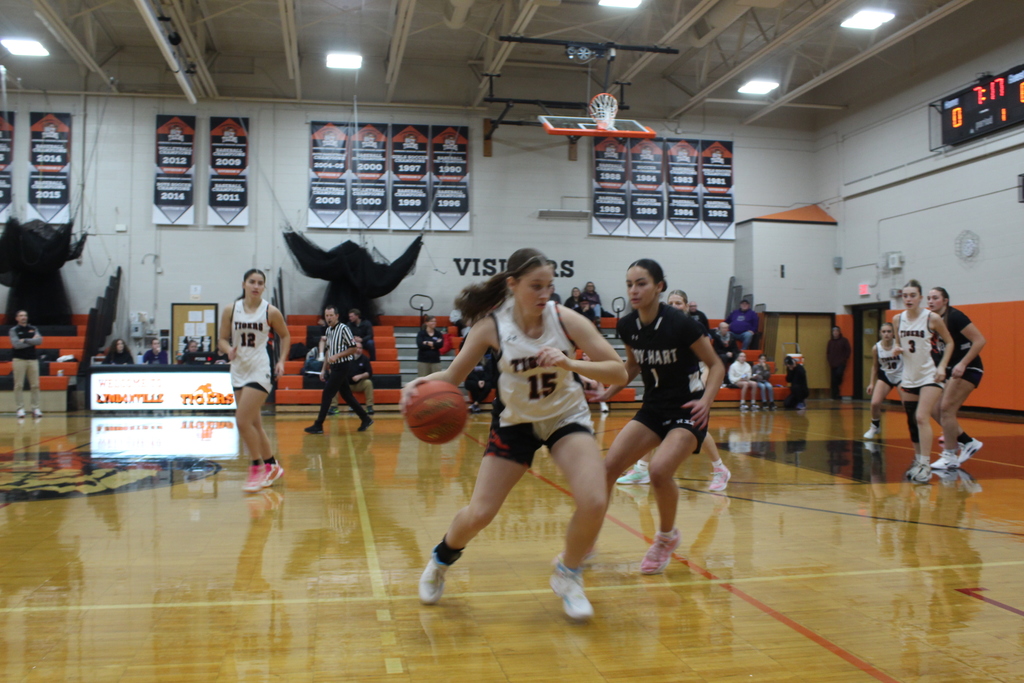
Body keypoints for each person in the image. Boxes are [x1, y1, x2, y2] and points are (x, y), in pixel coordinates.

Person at [406, 248, 627, 621]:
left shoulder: (566, 319)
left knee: (593, 499)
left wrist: (570, 362)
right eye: (535, 286)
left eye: (550, 286)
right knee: (480, 513)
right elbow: (452, 377)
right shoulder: (491, 327)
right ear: (513, 285)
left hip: (565, 417)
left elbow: (619, 372)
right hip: (516, 422)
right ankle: (440, 560)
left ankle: (568, 575)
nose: (544, 294)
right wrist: (416, 384)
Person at [602, 259, 724, 576]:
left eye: (641, 283)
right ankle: (586, 537)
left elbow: (717, 365)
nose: (633, 290)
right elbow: (631, 367)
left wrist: (707, 402)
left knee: (658, 470)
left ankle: (666, 538)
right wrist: (607, 393)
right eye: (629, 284)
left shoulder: (682, 324)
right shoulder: (627, 325)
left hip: (687, 408)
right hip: (654, 407)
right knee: (608, 467)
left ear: (659, 286)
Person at [612, 288, 731, 492]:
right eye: (671, 303)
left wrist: (702, 389)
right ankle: (641, 468)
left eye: (679, 303)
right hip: (665, 386)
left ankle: (719, 468)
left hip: (695, 379)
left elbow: (709, 362)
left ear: (686, 306)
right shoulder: (661, 326)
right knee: (654, 425)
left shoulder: (693, 327)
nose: (674, 306)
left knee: (696, 427)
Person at [218, 268, 290, 493]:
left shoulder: (270, 311)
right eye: (252, 282)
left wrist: (281, 361)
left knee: (241, 421)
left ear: (264, 287)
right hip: (239, 369)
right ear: (244, 284)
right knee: (254, 423)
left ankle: (256, 468)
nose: (256, 286)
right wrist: (228, 349)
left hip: (260, 369)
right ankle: (272, 465)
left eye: (260, 283)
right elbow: (221, 339)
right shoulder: (231, 309)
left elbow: (285, 336)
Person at [893, 279, 954, 480]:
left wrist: (943, 366)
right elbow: (898, 343)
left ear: (920, 298)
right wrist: (896, 348)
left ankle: (926, 466)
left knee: (921, 416)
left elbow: (950, 342)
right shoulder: (897, 320)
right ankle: (918, 461)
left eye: (913, 295)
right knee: (912, 421)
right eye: (905, 295)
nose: (908, 299)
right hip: (909, 375)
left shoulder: (932, 318)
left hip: (930, 374)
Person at [926, 286, 986, 468]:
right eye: (928, 298)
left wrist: (963, 363)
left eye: (935, 298)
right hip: (951, 370)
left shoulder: (955, 317)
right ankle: (967, 442)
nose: (930, 301)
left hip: (969, 368)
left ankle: (950, 456)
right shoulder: (933, 321)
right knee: (934, 408)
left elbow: (980, 340)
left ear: (945, 301)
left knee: (946, 409)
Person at [304, 305, 373, 434]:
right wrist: (323, 369)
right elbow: (329, 351)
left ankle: (318, 424)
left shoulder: (344, 329)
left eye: (331, 315)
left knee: (327, 394)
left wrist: (338, 355)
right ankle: (365, 418)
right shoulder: (329, 331)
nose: (329, 318)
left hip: (342, 366)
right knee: (347, 395)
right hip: (334, 366)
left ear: (337, 316)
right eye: (326, 316)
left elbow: (353, 348)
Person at [864, 322, 903, 439]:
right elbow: (875, 366)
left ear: (893, 333)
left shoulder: (899, 344)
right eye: (884, 331)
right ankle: (875, 426)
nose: (886, 334)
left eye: (889, 331)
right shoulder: (876, 348)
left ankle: (914, 428)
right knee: (875, 403)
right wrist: (871, 383)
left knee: (908, 404)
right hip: (886, 376)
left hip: (901, 375)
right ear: (880, 333)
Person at [9, 310, 43, 419]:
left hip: (32, 360)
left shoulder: (34, 328)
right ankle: (20, 409)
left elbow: (39, 341)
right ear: (17, 318)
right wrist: (30, 341)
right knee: (19, 385)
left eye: (25, 315)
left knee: (35, 385)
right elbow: (16, 344)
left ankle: (35, 408)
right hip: (19, 360)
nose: (23, 317)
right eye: (21, 315)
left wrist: (24, 340)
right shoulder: (14, 330)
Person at [347, 341, 374, 415]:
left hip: (359, 384)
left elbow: (369, 373)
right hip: (346, 385)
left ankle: (369, 406)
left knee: (368, 383)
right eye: (357, 348)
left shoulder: (365, 359)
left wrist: (360, 376)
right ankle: (333, 407)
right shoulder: (347, 357)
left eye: (360, 348)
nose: (358, 349)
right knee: (335, 382)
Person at [826, 326, 851, 399]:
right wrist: (829, 360)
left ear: (839, 332)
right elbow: (828, 352)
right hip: (832, 363)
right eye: (834, 331)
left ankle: (837, 392)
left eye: (836, 331)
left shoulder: (844, 341)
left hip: (841, 363)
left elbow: (848, 350)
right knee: (833, 380)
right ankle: (835, 395)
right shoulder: (830, 342)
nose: (835, 333)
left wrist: (844, 359)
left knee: (839, 374)